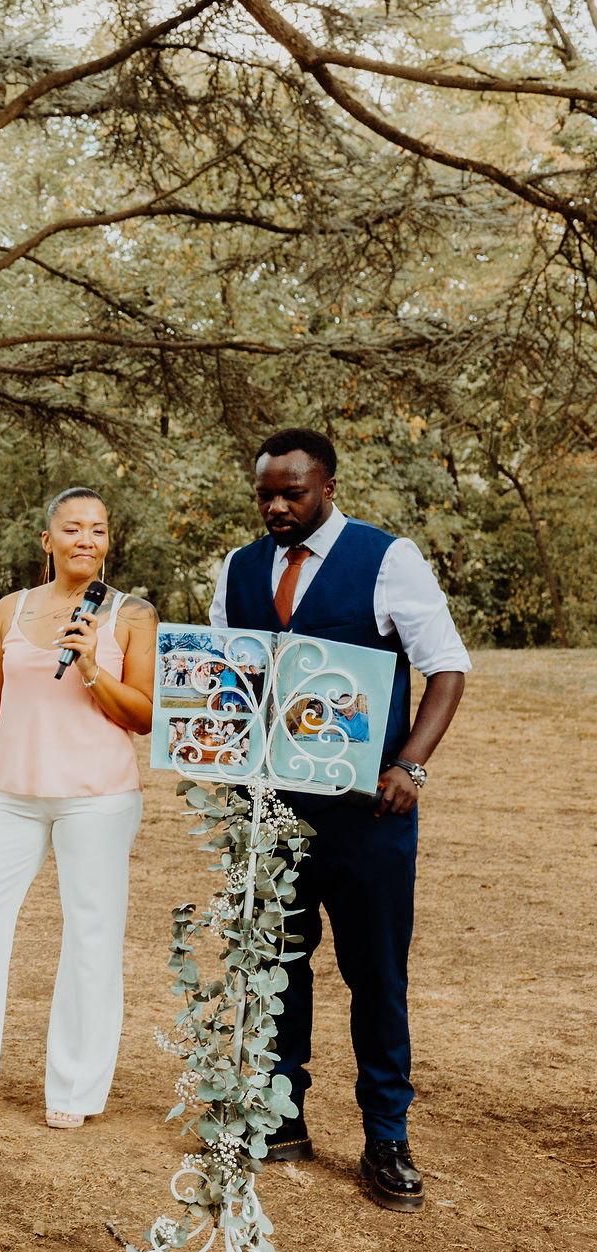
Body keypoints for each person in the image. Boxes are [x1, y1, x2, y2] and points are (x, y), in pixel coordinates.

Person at [210, 428, 468, 1212]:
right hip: (270, 808)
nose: (277, 506)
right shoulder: (240, 566)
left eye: (293, 492)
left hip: (367, 819)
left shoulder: (388, 559)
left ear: (327, 485)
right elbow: (224, 673)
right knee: (275, 961)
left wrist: (410, 766)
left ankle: (386, 1133)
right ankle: (277, 1116)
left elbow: (448, 666)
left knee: (376, 975)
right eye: (266, 494)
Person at [0, 487, 157, 1129]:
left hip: (97, 801)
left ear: (108, 542)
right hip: (13, 799)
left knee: (91, 939)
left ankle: (73, 1092)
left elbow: (146, 716)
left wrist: (95, 666)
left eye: (98, 530)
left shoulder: (131, 616)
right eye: (73, 528)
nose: (86, 540)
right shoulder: (9, 611)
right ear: (47, 541)